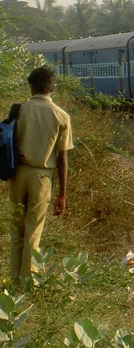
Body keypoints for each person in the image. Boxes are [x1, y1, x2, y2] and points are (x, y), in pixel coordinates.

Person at [8, 66, 73, 285]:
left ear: (31, 86)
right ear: (52, 87)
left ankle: (14, 280)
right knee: (33, 231)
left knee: (16, 230)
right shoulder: (61, 116)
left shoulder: (19, 110)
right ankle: (29, 281)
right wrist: (62, 195)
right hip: (42, 177)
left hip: (17, 174)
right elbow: (62, 159)